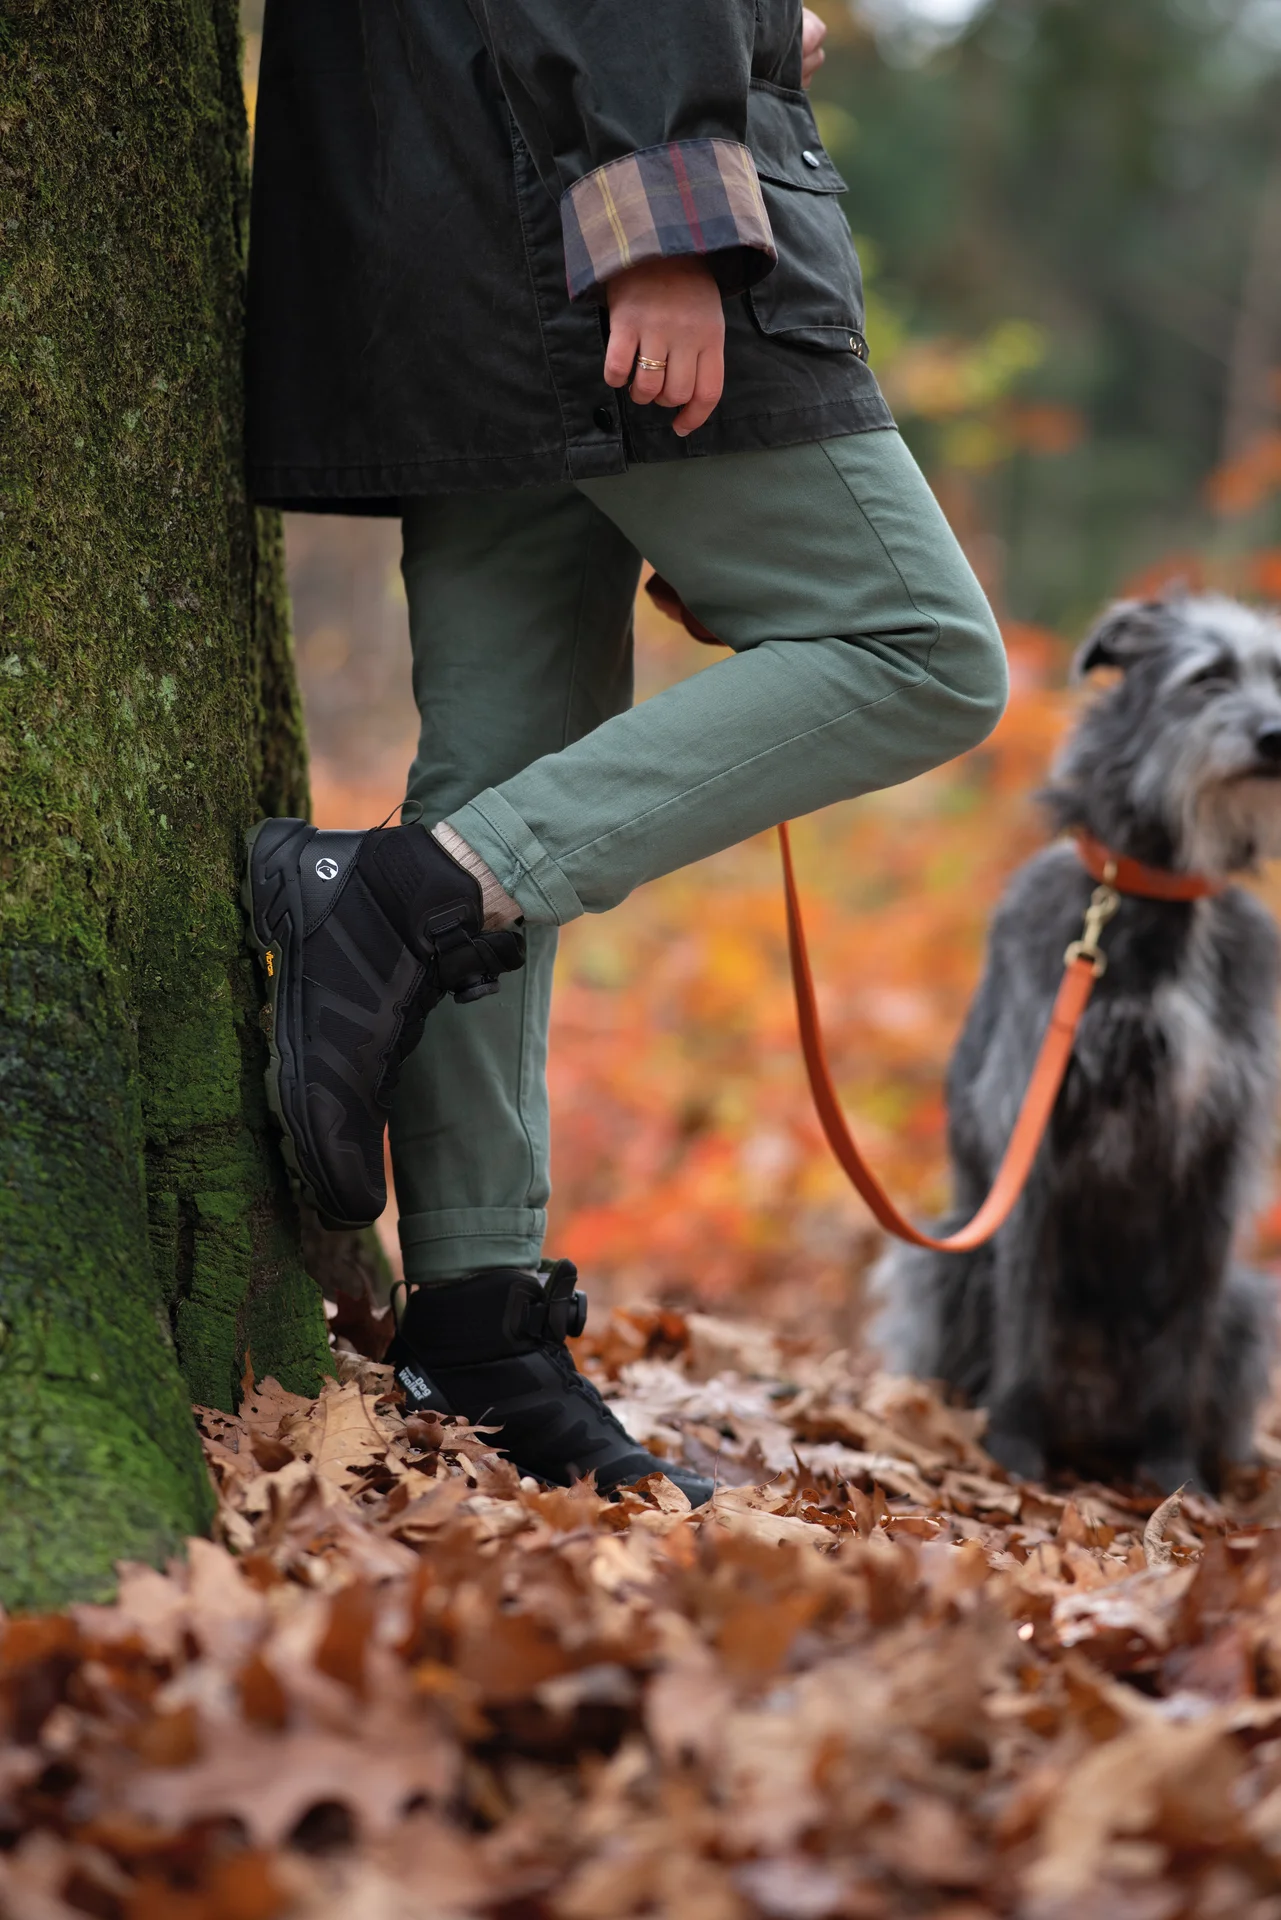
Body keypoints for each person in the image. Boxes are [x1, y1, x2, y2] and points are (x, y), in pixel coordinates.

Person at [244, 0, 1008, 1505]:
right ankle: (395, 899)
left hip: (450, 221)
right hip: (587, 211)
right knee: (923, 652)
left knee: (498, 770)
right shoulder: (636, 209)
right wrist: (662, 211)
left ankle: (479, 1325)